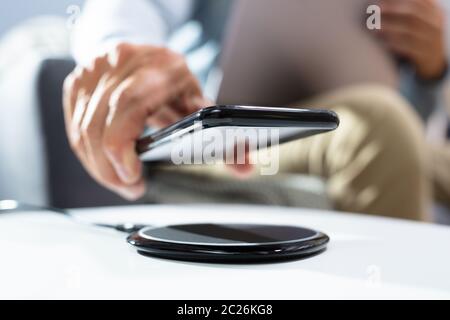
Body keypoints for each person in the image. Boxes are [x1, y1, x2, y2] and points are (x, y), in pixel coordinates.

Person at [63, 0, 450, 220]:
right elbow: (128, 9)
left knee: (390, 123)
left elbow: (416, 116)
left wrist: (432, 69)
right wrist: (128, 56)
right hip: (226, 131)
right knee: (382, 126)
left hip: (345, 118)